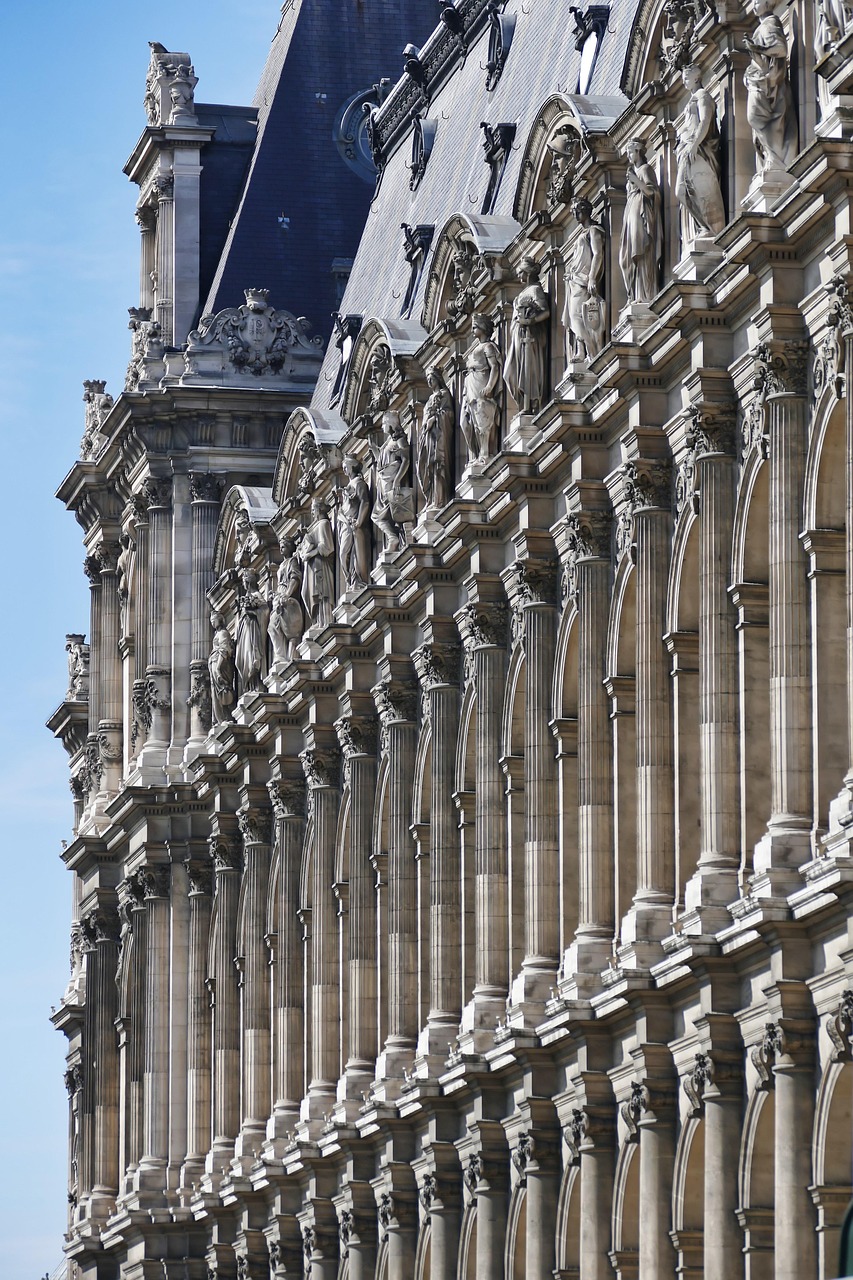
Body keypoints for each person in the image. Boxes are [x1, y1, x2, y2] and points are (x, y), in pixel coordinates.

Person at [743, 0, 798, 173]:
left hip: (769, 84)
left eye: (757, 1)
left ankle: (776, 158)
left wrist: (757, 48)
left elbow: (780, 49)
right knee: (757, 120)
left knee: (756, 118)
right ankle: (772, 156)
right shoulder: (762, 26)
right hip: (761, 81)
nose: (754, 4)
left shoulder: (771, 22)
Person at [675, 65, 726, 238]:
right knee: (681, 192)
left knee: (702, 189)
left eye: (686, 77)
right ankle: (704, 227)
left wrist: (695, 143)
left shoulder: (702, 96)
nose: (683, 81)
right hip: (688, 150)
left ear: (696, 78)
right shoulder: (692, 100)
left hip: (699, 150)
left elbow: (705, 120)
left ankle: (711, 229)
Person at [503, 258, 550, 414]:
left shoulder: (535, 290)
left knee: (527, 369)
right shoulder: (522, 293)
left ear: (529, 272)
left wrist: (531, 320)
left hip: (530, 336)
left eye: (521, 273)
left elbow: (546, 311)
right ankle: (523, 402)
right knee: (509, 373)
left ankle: (529, 403)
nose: (519, 277)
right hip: (518, 336)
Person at [619, 139, 662, 304]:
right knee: (625, 258)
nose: (629, 156)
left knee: (642, 251)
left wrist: (636, 181)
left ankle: (645, 294)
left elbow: (652, 192)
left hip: (642, 215)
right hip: (631, 213)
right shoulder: (634, 171)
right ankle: (635, 294)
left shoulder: (645, 169)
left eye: (630, 152)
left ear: (638, 151)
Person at [563, 198, 605, 363]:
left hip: (583, 280)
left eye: (577, 210)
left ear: (586, 210)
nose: (574, 214)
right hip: (575, 281)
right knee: (575, 317)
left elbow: (598, 254)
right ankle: (582, 351)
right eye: (573, 211)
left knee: (578, 316)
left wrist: (593, 277)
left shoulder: (593, 231)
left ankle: (591, 352)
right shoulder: (582, 234)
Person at [460, 314, 502, 463]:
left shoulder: (488, 346)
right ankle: (477, 453)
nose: (472, 329)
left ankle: (485, 453)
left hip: (481, 383)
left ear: (483, 327)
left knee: (482, 418)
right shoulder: (476, 348)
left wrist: (490, 385)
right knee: (466, 423)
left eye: (475, 326)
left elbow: (495, 367)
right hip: (471, 386)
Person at [369, 411, 412, 552]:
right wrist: (374, 449)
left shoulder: (399, 439)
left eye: (384, 423)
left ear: (391, 424)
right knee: (379, 515)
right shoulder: (389, 441)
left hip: (391, 480)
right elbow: (381, 460)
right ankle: (395, 538)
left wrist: (398, 479)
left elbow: (406, 460)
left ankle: (395, 538)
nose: (382, 427)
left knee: (384, 513)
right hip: (384, 481)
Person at [417, 368, 454, 510]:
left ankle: (440, 499)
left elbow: (449, 414)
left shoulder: (443, 394)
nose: (429, 381)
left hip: (438, 436)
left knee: (438, 465)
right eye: (427, 379)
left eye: (431, 378)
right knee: (428, 466)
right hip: (428, 437)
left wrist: (435, 419)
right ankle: (432, 498)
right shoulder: (429, 400)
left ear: (438, 378)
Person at [298, 500, 335, 628]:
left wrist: (310, 553)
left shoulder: (324, 524)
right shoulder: (317, 526)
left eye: (313, 510)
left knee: (322, 593)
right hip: (313, 567)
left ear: (319, 509)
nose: (312, 513)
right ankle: (319, 621)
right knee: (312, 594)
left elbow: (327, 547)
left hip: (321, 566)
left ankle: (326, 620)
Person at [337, 456, 371, 588]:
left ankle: (356, 580)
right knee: (343, 553)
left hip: (355, 525)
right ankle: (349, 579)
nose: (344, 471)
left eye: (346, 467)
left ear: (352, 466)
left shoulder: (359, 483)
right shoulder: (349, 485)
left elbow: (365, 502)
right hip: (346, 524)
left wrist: (359, 522)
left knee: (352, 553)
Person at [269, 537, 304, 663]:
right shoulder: (281, 565)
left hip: (285, 596)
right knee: (272, 626)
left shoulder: (292, 561)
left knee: (288, 626)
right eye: (280, 546)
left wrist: (288, 594)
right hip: (279, 597)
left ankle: (286, 655)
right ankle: (280, 654)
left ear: (289, 548)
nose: (280, 549)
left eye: (283, 546)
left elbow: (295, 577)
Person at [235, 571, 268, 694]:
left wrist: (252, 612)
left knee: (251, 655)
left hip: (253, 629)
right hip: (244, 630)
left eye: (244, 581)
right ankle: (249, 686)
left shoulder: (256, 595)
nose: (243, 584)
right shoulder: (247, 597)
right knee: (243, 658)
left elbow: (265, 611)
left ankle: (256, 683)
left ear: (248, 582)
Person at [208, 611, 236, 723]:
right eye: (211, 621)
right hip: (214, 664)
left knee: (223, 689)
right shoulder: (217, 634)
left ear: (219, 619)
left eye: (213, 620)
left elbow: (224, 651)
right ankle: (220, 718)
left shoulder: (223, 633)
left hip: (221, 665)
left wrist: (218, 668)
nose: (212, 623)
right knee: (216, 693)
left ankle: (226, 716)